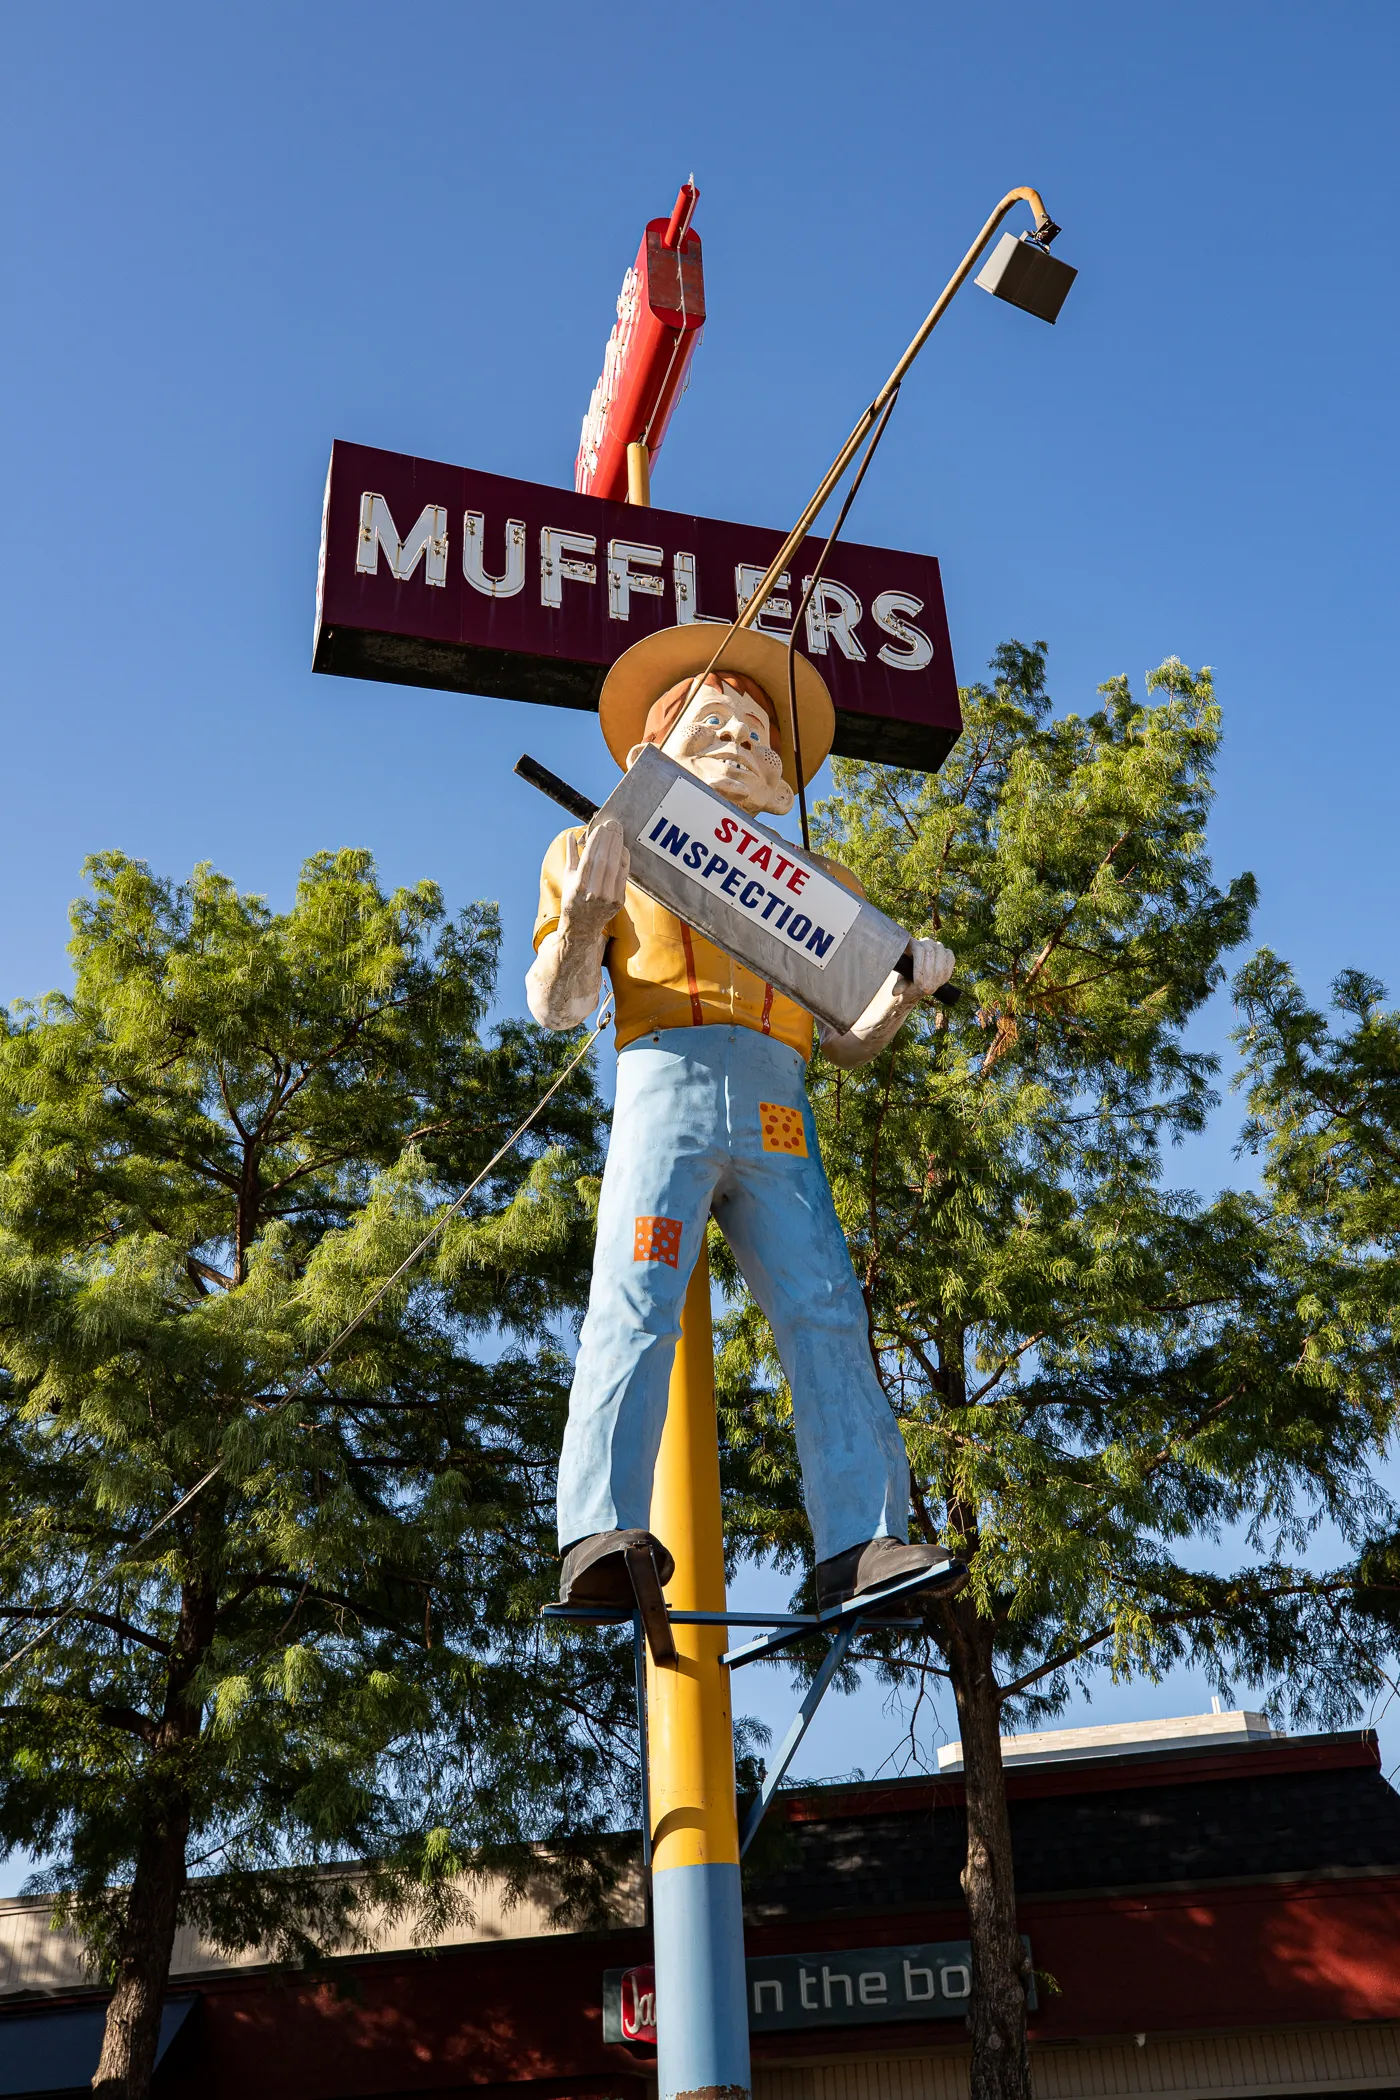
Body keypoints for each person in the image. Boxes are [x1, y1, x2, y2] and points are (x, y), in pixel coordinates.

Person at [528, 622, 966, 1615]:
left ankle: (862, 1538)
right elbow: (555, 1005)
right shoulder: (597, 843)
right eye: (713, 722)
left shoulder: (822, 891)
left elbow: (847, 1038)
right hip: (663, 1091)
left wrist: (900, 989)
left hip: (779, 1113)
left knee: (825, 1310)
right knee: (635, 1291)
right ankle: (595, 1531)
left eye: (753, 730)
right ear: (656, 752)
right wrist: (591, 914)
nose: (738, 741)